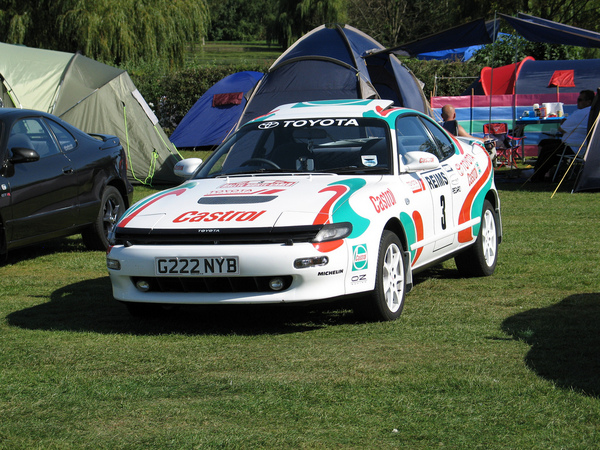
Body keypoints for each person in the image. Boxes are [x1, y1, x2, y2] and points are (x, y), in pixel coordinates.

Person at [531, 89, 595, 182]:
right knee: (545, 143)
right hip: (580, 145)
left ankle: (538, 175)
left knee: (548, 150)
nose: (578, 102)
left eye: (580, 100)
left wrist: (564, 123)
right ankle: (537, 171)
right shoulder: (592, 112)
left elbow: (561, 129)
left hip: (575, 147)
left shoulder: (581, 113)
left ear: (588, 101)